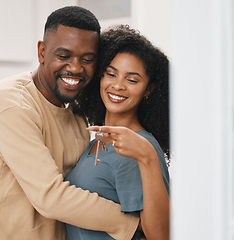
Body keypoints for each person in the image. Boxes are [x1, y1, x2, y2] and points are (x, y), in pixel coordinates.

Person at [0, 7, 139, 240]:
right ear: (42, 52)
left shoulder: (75, 112)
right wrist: (134, 224)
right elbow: (51, 197)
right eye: (63, 56)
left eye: (87, 59)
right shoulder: (11, 105)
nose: (75, 67)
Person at [65, 24, 170, 240]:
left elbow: (161, 235)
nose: (118, 85)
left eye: (132, 80)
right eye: (111, 74)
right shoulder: (97, 140)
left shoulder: (137, 148)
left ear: (148, 89)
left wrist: (146, 155)